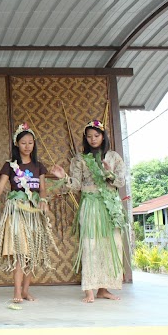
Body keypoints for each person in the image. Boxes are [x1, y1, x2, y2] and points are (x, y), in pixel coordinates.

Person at [51, 119, 127, 303]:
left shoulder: (114, 157)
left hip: (110, 206)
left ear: (103, 136)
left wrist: (109, 173)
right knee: (90, 244)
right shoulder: (79, 159)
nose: (93, 139)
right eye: (89, 136)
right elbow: (76, 186)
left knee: (111, 245)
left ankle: (103, 289)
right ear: (85, 138)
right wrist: (64, 177)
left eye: (97, 136)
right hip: (90, 205)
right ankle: (89, 290)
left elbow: (121, 182)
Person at [0, 123, 57, 303]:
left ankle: (25, 290)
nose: (27, 146)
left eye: (30, 143)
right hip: (16, 210)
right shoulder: (10, 166)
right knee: (19, 252)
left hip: (33, 211)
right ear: (17, 144)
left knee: (31, 253)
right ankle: (17, 291)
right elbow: (1, 186)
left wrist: (43, 201)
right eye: (23, 142)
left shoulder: (38, 166)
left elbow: (43, 189)